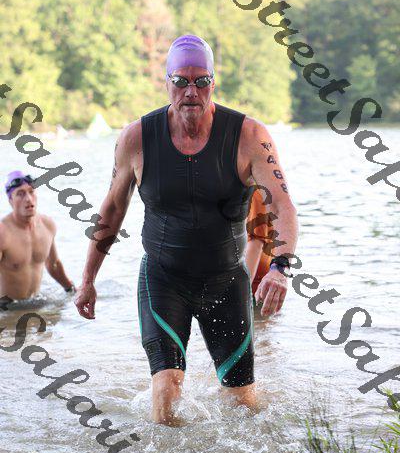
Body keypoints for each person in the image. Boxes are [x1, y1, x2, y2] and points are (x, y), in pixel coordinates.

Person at [74, 34, 298, 425]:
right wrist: (87, 280)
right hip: (164, 278)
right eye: (181, 81)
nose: (191, 91)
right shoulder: (136, 138)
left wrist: (280, 268)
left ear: (213, 82)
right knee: (166, 393)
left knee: (243, 407)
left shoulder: (249, 136)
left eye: (201, 81)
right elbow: (111, 210)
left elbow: (283, 206)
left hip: (226, 281)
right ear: (167, 82)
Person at [0, 171, 75, 308]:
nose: (28, 199)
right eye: (20, 194)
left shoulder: (47, 225)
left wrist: (72, 290)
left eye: (31, 192)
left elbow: (53, 265)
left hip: (35, 302)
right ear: (10, 200)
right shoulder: (3, 233)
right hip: (6, 308)